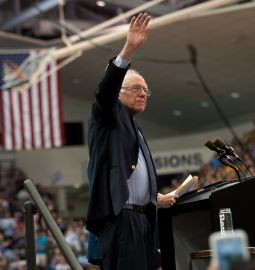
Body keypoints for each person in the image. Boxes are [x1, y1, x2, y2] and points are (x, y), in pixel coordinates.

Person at [85, 13, 179, 270]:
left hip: (141, 219)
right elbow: (104, 92)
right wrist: (128, 50)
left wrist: (154, 198)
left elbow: (131, 176)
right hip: (120, 220)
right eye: (136, 88)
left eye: (146, 90)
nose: (143, 94)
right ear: (119, 93)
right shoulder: (108, 116)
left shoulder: (134, 128)